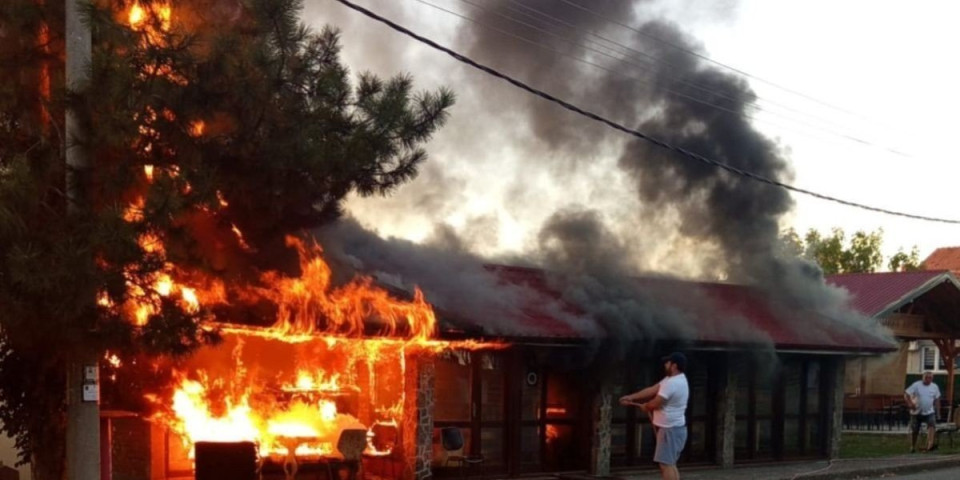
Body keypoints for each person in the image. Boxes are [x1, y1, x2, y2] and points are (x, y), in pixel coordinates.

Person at [619, 352, 689, 480]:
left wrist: (646, 406)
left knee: (665, 464)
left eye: (668, 363)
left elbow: (656, 403)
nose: (665, 365)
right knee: (670, 463)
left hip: (669, 430)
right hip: (674, 429)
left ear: (674, 366)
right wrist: (631, 397)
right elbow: (652, 389)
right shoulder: (674, 379)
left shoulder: (672, 383)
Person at [904, 370, 941, 452]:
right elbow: (906, 394)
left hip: (929, 412)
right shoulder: (916, 385)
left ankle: (930, 445)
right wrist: (910, 404)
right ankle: (913, 446)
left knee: (932, 426)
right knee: (915, 430)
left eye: (930, 378)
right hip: (916, 412)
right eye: (926, 377)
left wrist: (938, 412)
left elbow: (937, 399)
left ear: (932, 379)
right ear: (923, 378)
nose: (928, 379)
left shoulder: (934, 387)